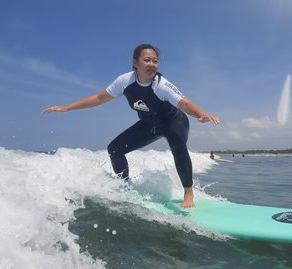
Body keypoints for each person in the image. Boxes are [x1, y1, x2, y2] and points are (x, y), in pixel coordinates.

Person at [42, 44, 220, 208]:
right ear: (135, 62)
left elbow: (185, 103)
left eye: (155, 61)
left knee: (178, 145)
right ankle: (126, 188)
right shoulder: (125, 81)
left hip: (173, 122)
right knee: (114, 149)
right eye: (147, 60)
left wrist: (201, 115)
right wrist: (68, 108)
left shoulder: (161, 86)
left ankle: (188, 193)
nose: (152, 64)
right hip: (149, 124)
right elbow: (98, 98)